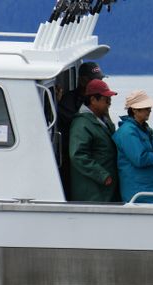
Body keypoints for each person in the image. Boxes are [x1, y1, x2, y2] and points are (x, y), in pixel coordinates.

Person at [58, 62, 106, 199]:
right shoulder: (69, 102)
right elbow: (79, 127)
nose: (99, 82)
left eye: (101, 79)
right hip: (72, 158)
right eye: (96, 79)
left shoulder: (99, 102)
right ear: (83, 80)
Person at [69, 79, 120, 203]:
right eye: (106, 100)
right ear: (93, 100)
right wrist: (102, 175)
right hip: (94, 190)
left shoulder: (103, 119)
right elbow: (78, 155)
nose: (109, 103)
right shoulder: (81, 124)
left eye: (110, 100)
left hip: (106, 187)